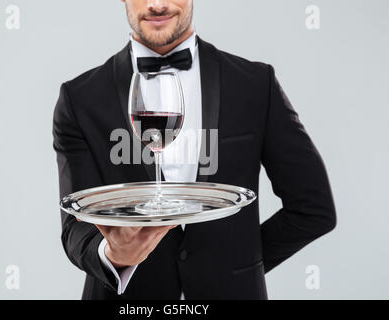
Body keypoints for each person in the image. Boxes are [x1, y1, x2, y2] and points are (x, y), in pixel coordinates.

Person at [52, 0, 336, 300]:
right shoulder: (79, 98)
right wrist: (114, 255)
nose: (157, 4)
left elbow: (314, 209)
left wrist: (235, 265)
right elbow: (75, 226)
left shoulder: (255, 84)